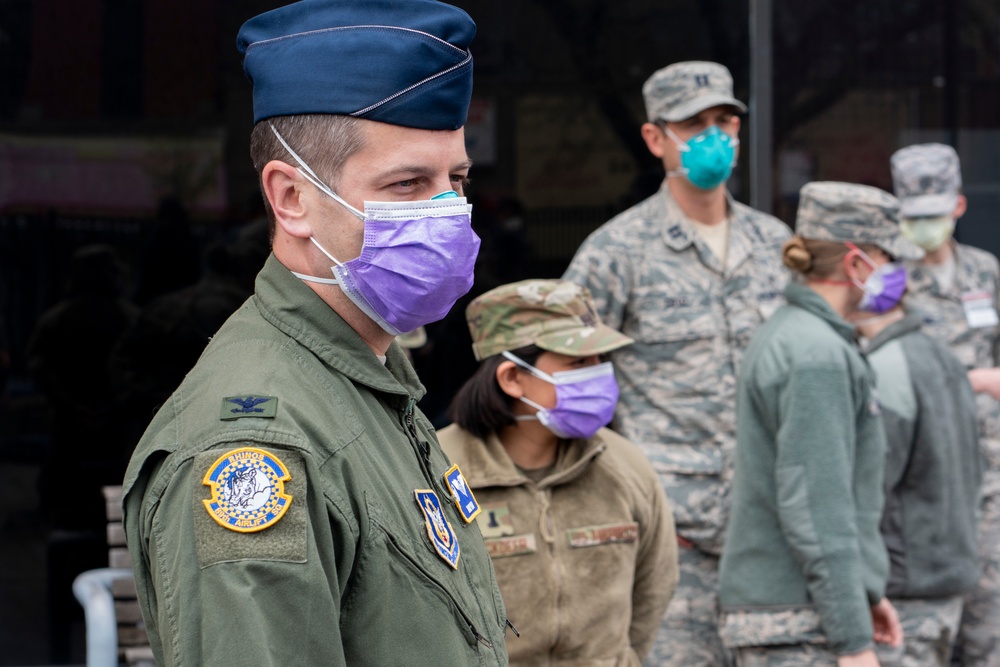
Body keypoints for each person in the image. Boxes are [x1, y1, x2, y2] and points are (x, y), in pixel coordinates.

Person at [121, 2, 510, 665]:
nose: (448, 211)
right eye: (408, 183)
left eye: (457, 180)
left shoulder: (365, 380)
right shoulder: (257, 441)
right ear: (291, 197)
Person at [562, 60, 791, 666]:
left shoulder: (776, 246)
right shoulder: (616, 253)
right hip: (672, 542)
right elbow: (562, 376)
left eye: (725, 120)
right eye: (694, 125)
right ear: (655, 137)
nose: (714, 137)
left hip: (773, 536)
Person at [719, 182, 917, 666]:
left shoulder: (798, 335)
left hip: (795, 615)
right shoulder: (817, 355)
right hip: (800, 624)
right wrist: (852, 639)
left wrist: (867, 594)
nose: (896, 274)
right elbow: (818, 508)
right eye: (886, 258)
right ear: (855, 264)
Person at [439, 279, 679, 665]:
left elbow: (654, 587)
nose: (598, 376)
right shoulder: (437, 469)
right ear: (512, 378)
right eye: (578, 363)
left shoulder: (625, 466)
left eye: (600, 360)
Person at [890, 143, 1000, 667]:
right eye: (914, 216)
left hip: (990, 480)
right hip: (924, 482)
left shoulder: (984, 273)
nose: (924, 227)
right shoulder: (887, 283)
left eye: (934, 214)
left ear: (958, 206)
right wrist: (974, 380)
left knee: (989, 637)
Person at [851, 302, 982, 667]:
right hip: (943, 579)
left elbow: (871, 483)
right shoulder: (942, 354)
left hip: (904, 590)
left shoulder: (886, 366)